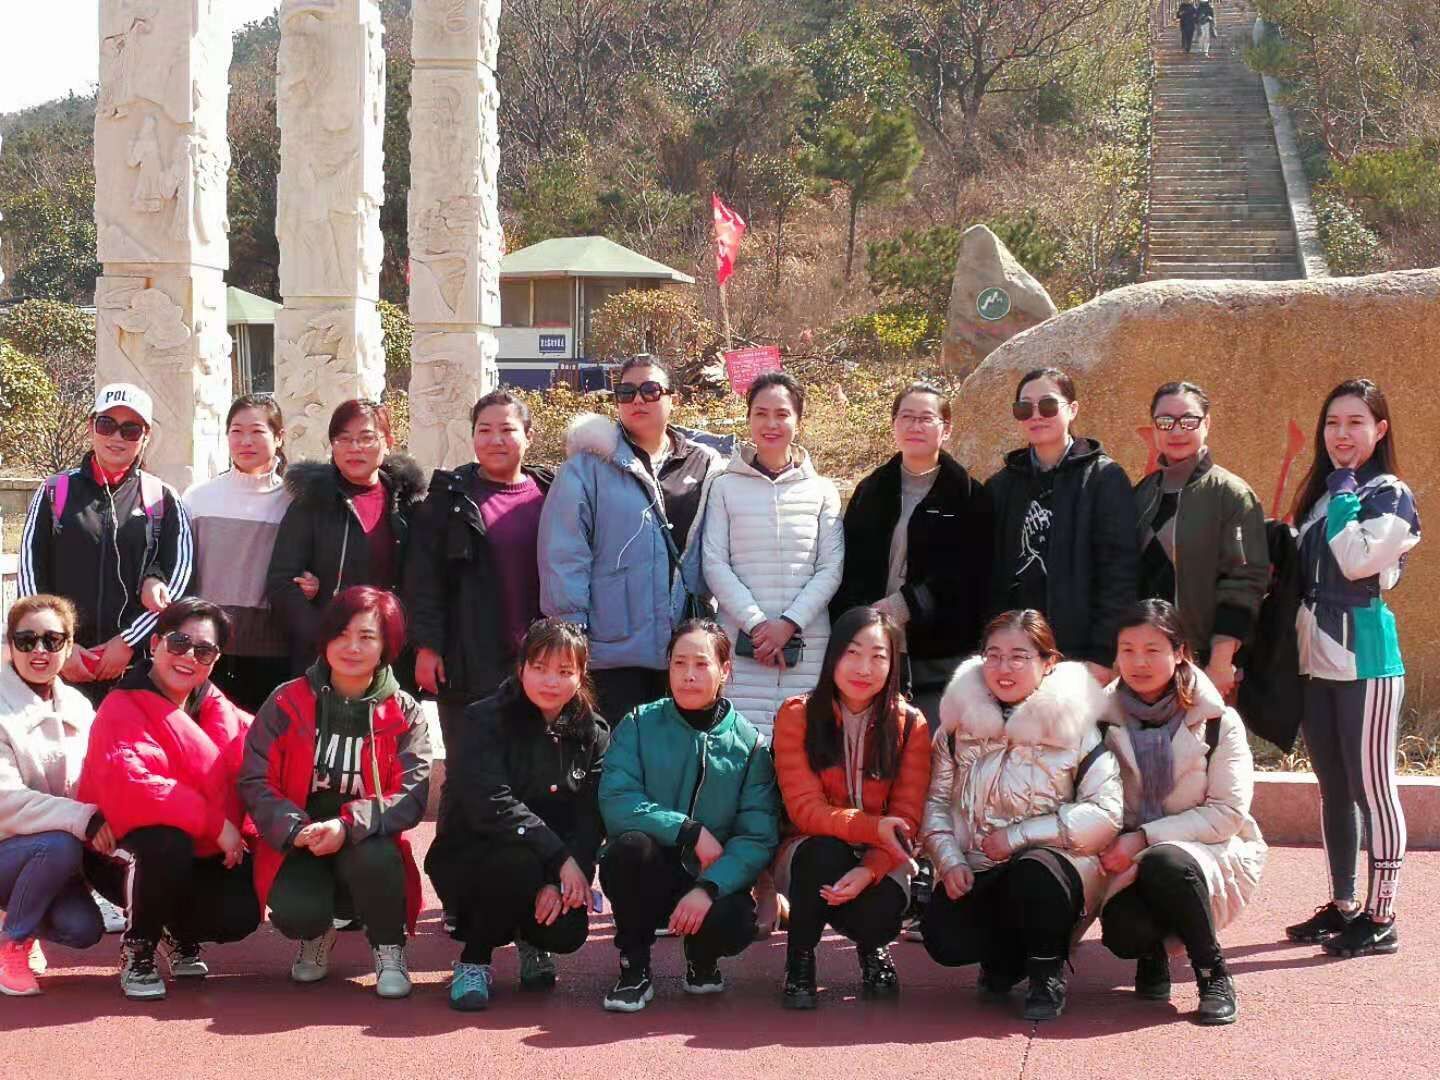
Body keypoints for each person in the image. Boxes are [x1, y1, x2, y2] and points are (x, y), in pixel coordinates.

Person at [920, 609, 1121, 1021]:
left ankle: (1046, 971)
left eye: (1018, 657)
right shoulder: (956, 728)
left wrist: (1019, 836)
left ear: (1048, 663)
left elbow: (1106, 813)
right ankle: (1007, 959)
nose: (1003, 668)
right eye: (993, 656)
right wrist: (950, 860)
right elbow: (935, 804)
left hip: (1057, 869)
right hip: (982, 867)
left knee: (1034, 871)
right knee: (943, 937)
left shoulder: (1079, 727)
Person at [240, 586, 432, 1000]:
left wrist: (347, 826)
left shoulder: (405, 712)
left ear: (386, 646)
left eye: (367, 637)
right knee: (296, 911)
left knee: (379, 857)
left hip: (364, 837)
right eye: (341, 634)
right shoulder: (286, 700)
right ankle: (316, 934)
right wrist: (296, 829)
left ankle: (388, 947)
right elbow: (255, 779)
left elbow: (411, 794)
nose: (352, 647)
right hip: (301, 835)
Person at [1283, 379, 1419, 958]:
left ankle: (1381, 916)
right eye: (1333, 422)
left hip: (1368, 662)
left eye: (1356, 422)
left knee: (1374, 788)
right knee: (1334, 787)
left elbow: (1357, 560)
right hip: (1315, 661)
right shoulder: (1320, 495)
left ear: (1379, 430)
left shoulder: (1390, 493)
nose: (1342, 433)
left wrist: (1342, 491)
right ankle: (1343, 904)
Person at [77, 598, 260, 1001]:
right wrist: (216, 824)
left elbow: (265, 751)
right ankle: (139, 946)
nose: (189, 656)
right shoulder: (121, 705)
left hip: (201, 849)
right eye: (179, 642)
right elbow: (135, 784)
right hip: (120, 849)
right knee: (166, 842)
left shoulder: (217, 707)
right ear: (155, 643)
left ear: (215, 659)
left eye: (204, 650)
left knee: (239, 912)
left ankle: (175, 931)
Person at [596, 619, 780, 1013]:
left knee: (735, 922)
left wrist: (709, 887)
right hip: (651, 871)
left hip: (710, 875)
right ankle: (634, 967)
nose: (688, 675)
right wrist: (687, 830)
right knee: (627, 850)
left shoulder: (749, 744)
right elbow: (617, 800)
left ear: (724, 670)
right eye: (679, 663)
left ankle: (702, 958)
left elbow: (757, 835)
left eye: (701, 663)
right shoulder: (639, 724)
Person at [425, 619, 609, 1011]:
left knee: (567, 932)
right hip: (478, 855)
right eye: (539, 667)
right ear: (521, 667)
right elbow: (491, 804)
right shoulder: (483, 719)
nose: (550, 681)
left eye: (564, 671)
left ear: (581, 675)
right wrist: (559, 860)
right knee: (517, 865)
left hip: (552, 861)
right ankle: (474, 960)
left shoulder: (592, 733)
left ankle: (533, 941)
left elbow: (590, 816)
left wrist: (567, 874)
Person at [1098, 600, 1267, 1026]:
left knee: (1166, 861)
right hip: (1124, 856)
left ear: (1180, 653)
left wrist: (1144, 837)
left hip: (1204, 850)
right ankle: (1151, 952)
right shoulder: (1097, 720)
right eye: (1128, 650)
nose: (1139, 662)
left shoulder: (1218, 722)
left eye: (1153, 650)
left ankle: (1213, 973)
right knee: (1122, 932)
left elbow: (1226, 813)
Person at [538, 357, 724, 726]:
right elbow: (564, 553)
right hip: (612, 650)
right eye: (626, 392)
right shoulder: (588, 467)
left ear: (673, 398)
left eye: (650, 390)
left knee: (679, 750)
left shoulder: (704, 464)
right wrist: (573, 633)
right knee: (617, 750)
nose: (638, 400)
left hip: (686, 648)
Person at [770, 606, 930, 1009]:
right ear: (833, 656)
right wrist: (873, 828)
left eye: (878, 656)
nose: (864, 668)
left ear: (893, 665)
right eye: (853, 653)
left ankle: (873, 945)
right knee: (822, 853)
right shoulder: (797, 714)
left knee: (881, 913)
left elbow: (907, 817)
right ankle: (800, 958)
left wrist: (869, 868)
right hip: (810, 851)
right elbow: (805, 810)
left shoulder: (911, 724)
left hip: (882, 855)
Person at [18, 383, 194, 706]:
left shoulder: (163, 499)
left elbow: (179, 579)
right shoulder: (54, 492)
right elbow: (30, 575)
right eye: (107, 424)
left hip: (135, 671)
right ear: (91, 427)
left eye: (130, 430)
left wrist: (128, 641)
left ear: (146, 436)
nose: (117, 437)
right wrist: (57, 643)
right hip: (59, 668)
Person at [831, 382, 993, 722]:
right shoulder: (872, 490)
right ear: (894, 424)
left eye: (926, 418)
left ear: (946, 429)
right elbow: (849, 566)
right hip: (872, 646)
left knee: (930, 741)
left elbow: (970, 573)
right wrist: (860, 617)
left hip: (939, 652)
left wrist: (905, 604)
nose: (915, 426)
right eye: (906, 417)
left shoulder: (968, 496)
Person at [405, 391, 554, 753]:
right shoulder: (449, 498)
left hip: (538, 658)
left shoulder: (552, 492)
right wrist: (427, 647)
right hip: (468, 658)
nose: (495, 440)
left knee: (532, 763)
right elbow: (423, 579)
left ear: (529, 435)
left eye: (507, 429)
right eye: (484, 430)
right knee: (470, 765)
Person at [703, 372, 844, 738]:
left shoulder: (822, 491)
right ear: (748, 418)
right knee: (739, 744)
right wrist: (758, 626)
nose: (771, 424)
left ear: (798, 419)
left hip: (807, 643)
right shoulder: (723, 487)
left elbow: (830, 568)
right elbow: (714, 563)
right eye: (761, 413)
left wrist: (788, 624)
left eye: (782, 414)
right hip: (741, 642)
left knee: (803, 743)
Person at [986, 367, 1138, 685]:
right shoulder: (1002, 485)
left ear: (1073, 409)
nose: (1036, 415)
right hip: (1010, 655)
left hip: (1078, 655)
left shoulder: (1104, 479)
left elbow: (1119, 573)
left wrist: (1103, 653)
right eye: (1024, 408)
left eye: (1048, 405)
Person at [266, 399, 426, 675]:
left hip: (391, 654)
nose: (354, 448)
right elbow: (282, 582)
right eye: (343, 439)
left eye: (366, 438)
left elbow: (423, 583)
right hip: (325, 657)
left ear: (388, 442)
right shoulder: (312, 501)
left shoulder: (407, 503)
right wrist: (326, 637)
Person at [1135, 382, 1268, 700]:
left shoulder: (1230, 494)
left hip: (1203, 662)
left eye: (1188, 420)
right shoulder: (1142, 493)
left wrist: (1221, 661)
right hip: (1144, 662)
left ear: (1206, 423)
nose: (1176, 430)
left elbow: (1245, 581)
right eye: (1165, 421)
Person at [0, 595, 106, 996]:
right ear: (10, 644)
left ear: (69, 644)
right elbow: (4, 799)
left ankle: (22, 914)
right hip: (20, 847)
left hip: (50, 854)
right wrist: (84, 819)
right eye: (26, 640)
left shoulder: (77, 705)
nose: (39, 651)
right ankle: (12, 944)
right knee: (60, 844)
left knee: (83, 929)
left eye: (52, 640)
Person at [182, 394, 293, 712]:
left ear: (279, 437)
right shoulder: (198, 499)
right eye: (236, 431)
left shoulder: (292, 502)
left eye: (257, 431)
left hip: (271, 650)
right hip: (206, 648)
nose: (246, 441)